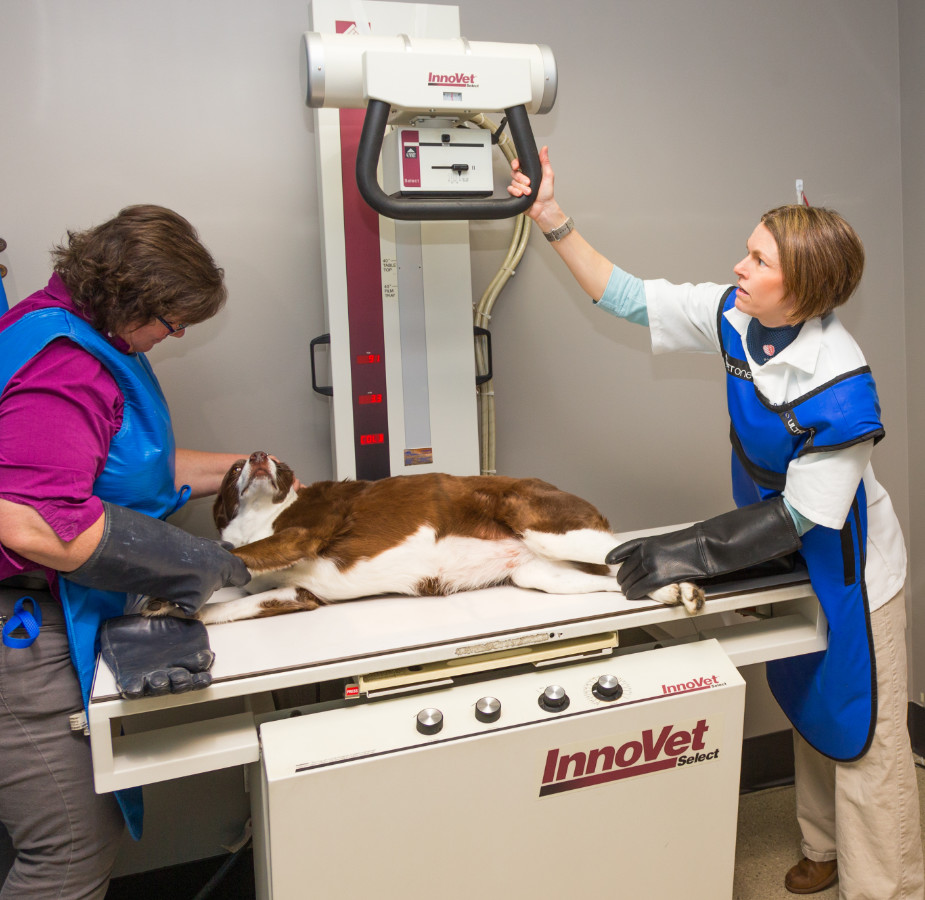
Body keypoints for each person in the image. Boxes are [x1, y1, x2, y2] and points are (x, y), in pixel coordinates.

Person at [509, 148, 924, 899]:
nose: (737, 265)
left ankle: (885, 885)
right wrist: (550, 219)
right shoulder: (737, 316)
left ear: (795, 291)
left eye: (756, 258)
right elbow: (628, 298)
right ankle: (821, 846)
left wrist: (690, 549)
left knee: (865, 730)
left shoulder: (839, 381)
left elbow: (807, 510)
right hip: (776, 541)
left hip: (852, 562)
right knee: (805, 694)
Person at [0, 205, 252, 898]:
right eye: (172, 323)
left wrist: (251, 468)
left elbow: (130, 468)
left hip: (42, 611)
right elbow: (34, 526)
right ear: (133, 302)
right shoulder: (66, 367)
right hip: (20, 627)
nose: (172, 337)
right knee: (71, 848)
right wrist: (204, 565)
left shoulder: (60, 324)